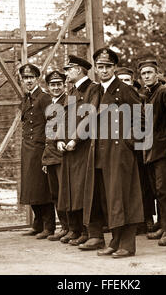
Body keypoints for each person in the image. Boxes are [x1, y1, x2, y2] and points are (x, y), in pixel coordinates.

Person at [78, 47, 144, 258]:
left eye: (107, 66)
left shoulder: (124, 90)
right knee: (108, 197)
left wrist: (128, 142)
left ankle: (127, 244)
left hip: (119, 152)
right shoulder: (94, 91)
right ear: (95, 69)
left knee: (123, 196)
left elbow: (141, 118)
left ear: (114, 67)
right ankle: (115, 241)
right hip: (99, 151)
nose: (103, 70)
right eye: (100, 67)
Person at [57, 55, 96, 246]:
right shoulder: (71, 92)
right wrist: (61, 139)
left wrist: (75, 139)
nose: (66, 73)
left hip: (84, 147)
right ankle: (76, 229)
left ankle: (88, 231)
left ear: (79, 70)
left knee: (83, 189)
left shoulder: (92, 88)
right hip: (69, 147)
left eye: (69, 69)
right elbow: (64, 118)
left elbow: (91, 117)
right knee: (70, 189)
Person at [139, 58, 166, 246]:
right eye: (143, 74)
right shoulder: (147, 94)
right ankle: (163, 224)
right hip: (151, 150)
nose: (146, 76)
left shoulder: (165, 93)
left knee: (164, 191)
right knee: (157, 190)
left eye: (149, 73)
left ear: (157, 74)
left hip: (163, 149)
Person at [116, 66, 155, 234]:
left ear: (133, 82)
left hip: (138, 147)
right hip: (118, 149)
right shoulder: (113, 99)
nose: (125, 84)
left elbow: (144, 123)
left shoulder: (141, 98)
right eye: (121, 80)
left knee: (143, 184)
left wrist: (132, 140)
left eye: (127, 80)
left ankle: (147, 218)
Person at [19, 63, 55, 240]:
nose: (28, 81)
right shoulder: (26, 98)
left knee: (42, 187)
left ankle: (49, 226)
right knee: (30, 187)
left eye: (31, 77)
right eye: (25, 78)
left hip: (40, 147)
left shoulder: (44, 98)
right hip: (27, 148)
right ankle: (37, 223)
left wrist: (48, 147)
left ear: (37, 79)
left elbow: (52, 123)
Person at [42, 70, 69, 241]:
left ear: (64, 85)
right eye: (53, 84)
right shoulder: (49, 104)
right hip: (51, 154)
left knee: (65, 192)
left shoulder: (68, 102)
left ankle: (70, 227)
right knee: (55, 193)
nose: (56, 87)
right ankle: (64, 226)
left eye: (59, 84)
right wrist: (45, 158)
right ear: (48, 87)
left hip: (62, 154)